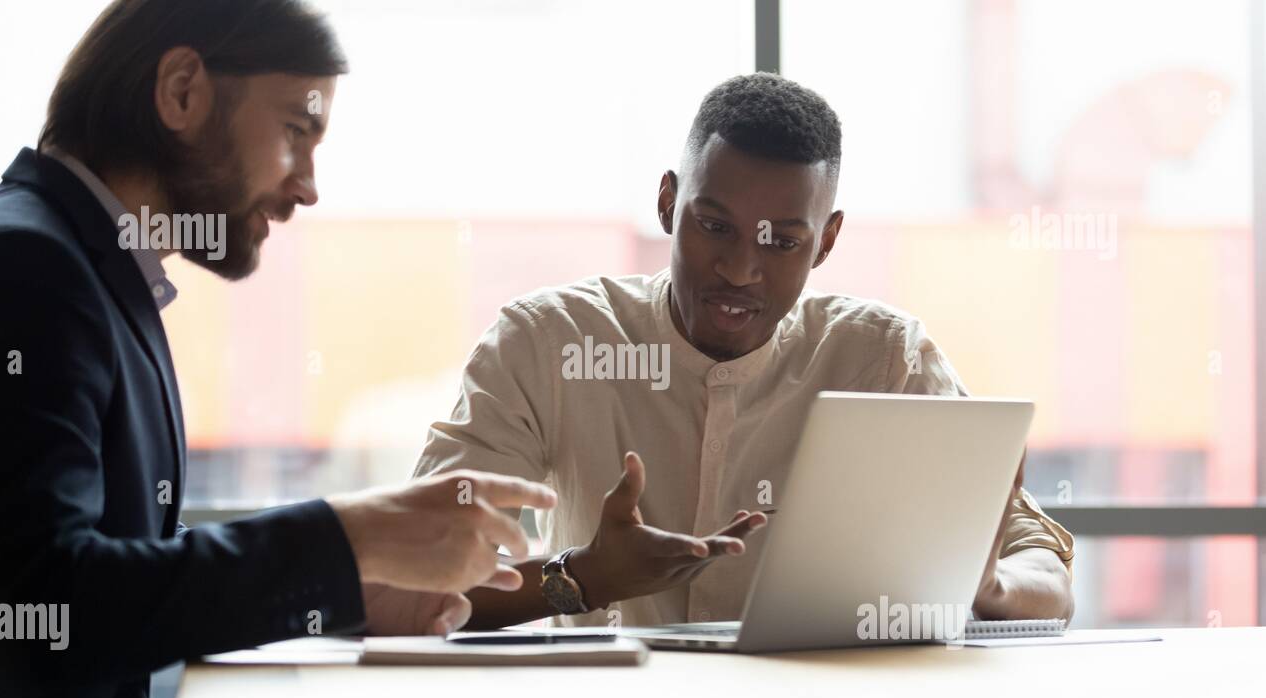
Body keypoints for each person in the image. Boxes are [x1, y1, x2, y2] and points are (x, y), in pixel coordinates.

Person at [0, 0, 554, 698]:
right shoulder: (26, 267)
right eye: (295, 132)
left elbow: (114, 568)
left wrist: (347, 586)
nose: (308, 185)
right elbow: (42, 608)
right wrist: (350, 534)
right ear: (182, 91)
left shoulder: (87, 274)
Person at [413, 73, 1075, 631]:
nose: (739, 268)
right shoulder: (547, 343)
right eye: (715, 226)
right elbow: (418, 577)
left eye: (781, 242)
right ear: (668, 202)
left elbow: (1044, 570)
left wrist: (986, 588)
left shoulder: (886, 361)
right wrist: (582, 578)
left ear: (826, 241)